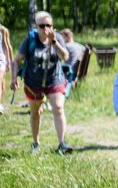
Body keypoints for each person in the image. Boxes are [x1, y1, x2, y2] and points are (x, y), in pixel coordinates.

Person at [10, 12, 73, 154]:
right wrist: (14, 79)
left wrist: (54, 42)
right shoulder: (30, 39)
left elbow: (65, 57)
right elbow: (16, 60)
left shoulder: (57, 38)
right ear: (36, 26)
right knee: (35, 112)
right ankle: (36, 143)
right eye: (42, 26)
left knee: (58, 107)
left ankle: (62, 144)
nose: (46, 28)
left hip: (54, 80)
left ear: (53, 26)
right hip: (33, 82)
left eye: (49, 25)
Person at [0, 20, 12, 113]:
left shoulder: (2, 30)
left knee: (1, 83)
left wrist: (9, 61)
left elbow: (7, 46)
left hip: (1, 59)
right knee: (2, 82)